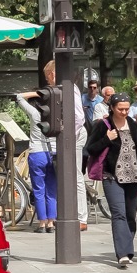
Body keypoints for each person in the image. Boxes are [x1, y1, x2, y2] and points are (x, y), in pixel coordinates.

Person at [84, 93, 137, 266]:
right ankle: (122, 253)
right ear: (112, 108)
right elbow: (90, 149)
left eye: (127, 109)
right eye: (120, 109)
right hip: (111, 176)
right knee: (118, 214)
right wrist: (107, 139)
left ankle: (127, 248)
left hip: (135, 177)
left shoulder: (134, 126)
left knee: (130, 215)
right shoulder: (103, 125)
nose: (124, 112)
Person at [22, 60, 88, 229]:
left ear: (52, 74)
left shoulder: (68, 88)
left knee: (75, 175)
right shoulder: (60, 90)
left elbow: (79, 118)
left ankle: (81, 217)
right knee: (58, 181)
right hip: (64, 139)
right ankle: (62, 216)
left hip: (75, 135)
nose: (48, 81)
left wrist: (67, 135)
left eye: (47, 77)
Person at [16, 90, 56, 232]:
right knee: (51, 190)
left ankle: (42, 224)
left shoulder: (34, 113)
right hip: (53, 154)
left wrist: (37, 92)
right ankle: (51, 222)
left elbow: (19, 97)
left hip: (37, 153)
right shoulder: (56, 115)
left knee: (39, 190)